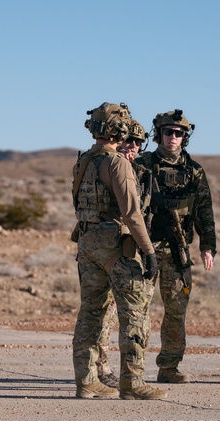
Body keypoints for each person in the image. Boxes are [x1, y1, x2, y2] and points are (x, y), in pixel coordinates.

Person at [72, 104, 167, 400]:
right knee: (134, 313)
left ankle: (86, 381)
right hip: (114, 244)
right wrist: (148, 251)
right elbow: (131, 213)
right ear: (117, 129)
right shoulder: (116, 163)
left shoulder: (83, 161)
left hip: (87, 243)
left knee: (91, 312)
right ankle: (132, 382)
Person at [135, 109, 216, 384]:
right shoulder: (142, 164)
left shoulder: (194, 171)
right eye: (168, 132)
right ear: (159, 134)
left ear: (185, 137)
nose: (173, 137)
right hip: (144, 247)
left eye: (178, 133)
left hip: (177, 249)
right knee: (138, 308)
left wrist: (208, 246)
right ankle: (132, 368)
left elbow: (205, 211)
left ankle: (169, 367)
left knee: (176, 309)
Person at [92, 119, 150, 389]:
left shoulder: (138, 172)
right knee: (105, 313)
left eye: (138, 143)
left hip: (128, 249)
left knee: (126, 312)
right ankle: (101, 368)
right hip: (111, 248)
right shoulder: (112, 165)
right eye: (130, 141)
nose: (134, 147)